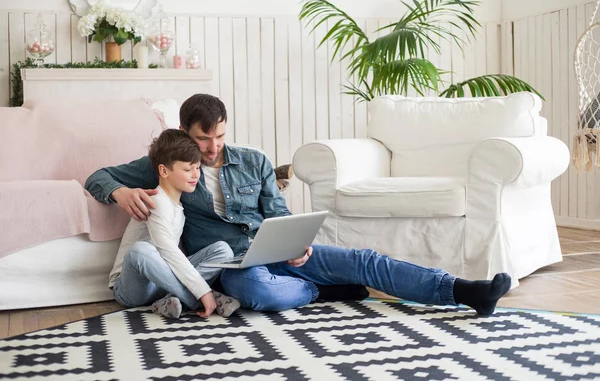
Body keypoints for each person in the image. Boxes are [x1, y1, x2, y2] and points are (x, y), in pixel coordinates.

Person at [86, 94, 512, 316]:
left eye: (219, 137)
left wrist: (296, 240)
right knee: (257, 291)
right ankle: (321, 292)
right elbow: (97, 177)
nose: (212, 148)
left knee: (362, 260)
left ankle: (463, 291)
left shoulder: (253, 159)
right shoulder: (166, 161)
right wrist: (120, 193)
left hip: (276, 250)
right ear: (184, 133)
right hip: (234, 268)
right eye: (202, 139)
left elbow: (279, 212)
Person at [108, 128, 240, 319]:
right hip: (131, 287)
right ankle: (195, 299)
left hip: (163, 282)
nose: (195, 175)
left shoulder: (179, 205)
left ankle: (169, 301)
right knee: (140, 250)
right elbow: (167, 250)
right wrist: (203, 291)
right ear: (164, 170)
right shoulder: (157, 201)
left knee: (223, 250)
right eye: (188, 169)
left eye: (197, 167)